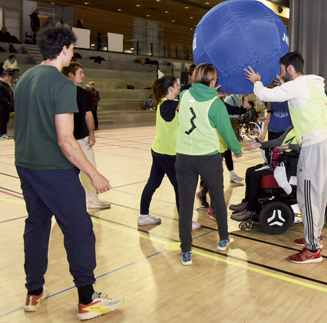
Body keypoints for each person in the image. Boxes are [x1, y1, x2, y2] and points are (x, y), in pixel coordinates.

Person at [13, 27, 123, 319]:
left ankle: (33, 292)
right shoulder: (62, 85)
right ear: (63, 49)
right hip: (54, 170)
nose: (73, 53)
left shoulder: (24, 79)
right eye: (72, 48)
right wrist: (93, 174)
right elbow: (65, 139)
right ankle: (88, 300)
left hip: (25, 164)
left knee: (36, 226)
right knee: (79, 231)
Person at [245, 51, 327, 264]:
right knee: (319, 196)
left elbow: (265, 96)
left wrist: (257, 82)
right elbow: (294, 98)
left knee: (307, 197)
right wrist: (282, 84)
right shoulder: (313, 84)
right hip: (326, 144)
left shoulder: (298, 86)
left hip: (314, 147)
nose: (280, 73)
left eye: (282, 70)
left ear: (290, 69)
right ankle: (315, 238)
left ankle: (312, 249)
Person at [176, 63, 241, 265]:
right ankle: (223, 238)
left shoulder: (184, 95)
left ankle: (186, 250)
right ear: (213, 82)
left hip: (184, 156)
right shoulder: (216, 103)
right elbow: (227, 132)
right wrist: (237, 149)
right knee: (218, 200)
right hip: (208, 158)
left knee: (186, 205)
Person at [138, 76, 202, 230]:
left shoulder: (165, 103)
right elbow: (187, 103)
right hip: (168, 154)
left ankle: (143, 216)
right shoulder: (168, 105)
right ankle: (185, 222)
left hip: (160, 151)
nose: (179, 87)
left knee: (153, 183)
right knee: (181, 187)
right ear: (171, 88)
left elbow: (187, 96)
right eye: (177, 85)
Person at [61, 63, 111, 210]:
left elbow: (88, 115)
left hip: (82, 138)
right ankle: (68, 203)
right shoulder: (62, 92)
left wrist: (91, 134)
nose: (83, 75)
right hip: (68, 140)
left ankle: (93, 200)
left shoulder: (83, 93)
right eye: (80, 73)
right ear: (70, 74)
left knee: (90, 169)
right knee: (70, 173)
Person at [230, 126, 299, 221]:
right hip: (280, 163)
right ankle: (247, 202)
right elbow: (279, 141)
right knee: (250, 171)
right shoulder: (292, 128)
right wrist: (260, 144)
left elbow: (306, 147)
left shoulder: (308, 131)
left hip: (290, 168)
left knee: (255, 175)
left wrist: (289, 146)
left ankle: (251, 209)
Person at [0, 72, 14, 139]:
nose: (8, 78)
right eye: (7, 76)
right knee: (2, 120)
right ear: (3, 77)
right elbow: (1, 96)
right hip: (2, 106)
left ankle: (4, 132)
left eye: (9, 77)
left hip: (6, 107)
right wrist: (7, 102)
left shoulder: (7, 85)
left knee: (5, 120)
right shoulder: (1, 84)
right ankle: (1, 133)